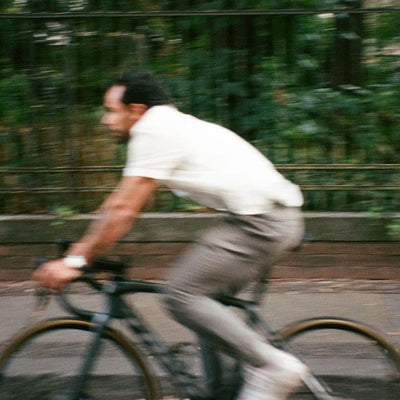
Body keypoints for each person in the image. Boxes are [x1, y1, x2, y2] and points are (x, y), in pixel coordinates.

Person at [34, 71, 309, 400]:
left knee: (180, 294)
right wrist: (80, 249)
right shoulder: (165, 126)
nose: (105, 120)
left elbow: (125, 210)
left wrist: (77, 261)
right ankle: (222, 392)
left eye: (110, 110)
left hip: (262, 223)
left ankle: (272, 367)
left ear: (135, 110)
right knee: (205, 307)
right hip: (262, 218)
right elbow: (118, 201)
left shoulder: (154, 130)